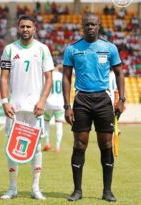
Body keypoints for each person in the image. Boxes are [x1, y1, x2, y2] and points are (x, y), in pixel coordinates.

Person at [62, 13, 125, 202]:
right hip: (81, 100)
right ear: (82, 26)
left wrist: (122, 99)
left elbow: (120, 74)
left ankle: (107, 191)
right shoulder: (72, 49)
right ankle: (77, 191)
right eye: (87, 24)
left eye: (93, 24)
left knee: (105, 145)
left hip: (103, 100)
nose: (90, 27)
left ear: (99, 26)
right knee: (79, 145)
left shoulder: (110, 47)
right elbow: (66, 77)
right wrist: (67, 105)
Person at [0, 15, 54, 200]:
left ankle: (35, 188)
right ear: (18, 28)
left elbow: (49, 78)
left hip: (35, 108)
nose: (25, 29)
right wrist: (5, 102)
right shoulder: (9, 49)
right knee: (12, 147)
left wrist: (42, 101)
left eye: (28, 26)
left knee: (36, 147)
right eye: (22, 26)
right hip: (14, 107)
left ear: (34, 28)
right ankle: (12, 187)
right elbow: (4, 78)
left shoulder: (43, 49)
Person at [43, 65, 64, 153]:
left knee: (46, 124)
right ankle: (57, 146)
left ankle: (47, 143)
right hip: (59, 103)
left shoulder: (47, 76)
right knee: (59, 125)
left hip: (48, 103)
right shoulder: (62, 76)